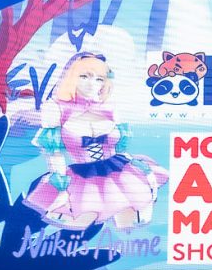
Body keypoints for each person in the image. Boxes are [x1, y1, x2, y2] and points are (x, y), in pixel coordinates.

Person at [27, 50, 167, 230]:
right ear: (71, 76)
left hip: (122, 172)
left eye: (99, 79)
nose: (92, 83)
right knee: (79, 225)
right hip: (83, 177)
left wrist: (139, 167)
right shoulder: (55, 108)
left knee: (129, 224)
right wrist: (61, 188)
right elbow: (54, 154)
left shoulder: (110, 107)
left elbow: (120, 148)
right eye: (84, 76)